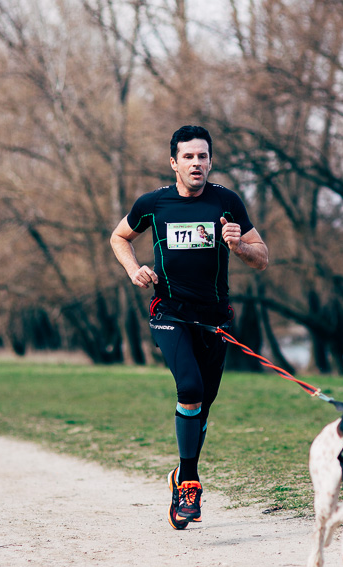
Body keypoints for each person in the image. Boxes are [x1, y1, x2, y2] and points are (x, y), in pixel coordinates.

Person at [110, 125, 269, 530]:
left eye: (202, 156)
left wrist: (238, 245)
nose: (196, 163)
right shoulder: (154, 204)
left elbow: (262, 258)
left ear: (210, 162)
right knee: (191, 389)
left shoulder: (226, 201)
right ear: (174, 162)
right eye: (188, 157)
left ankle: (181, 476)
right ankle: (190, 484)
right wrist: (133, 269)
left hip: (215, 319)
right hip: (170, 314)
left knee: (203, 406)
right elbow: (119, 237)